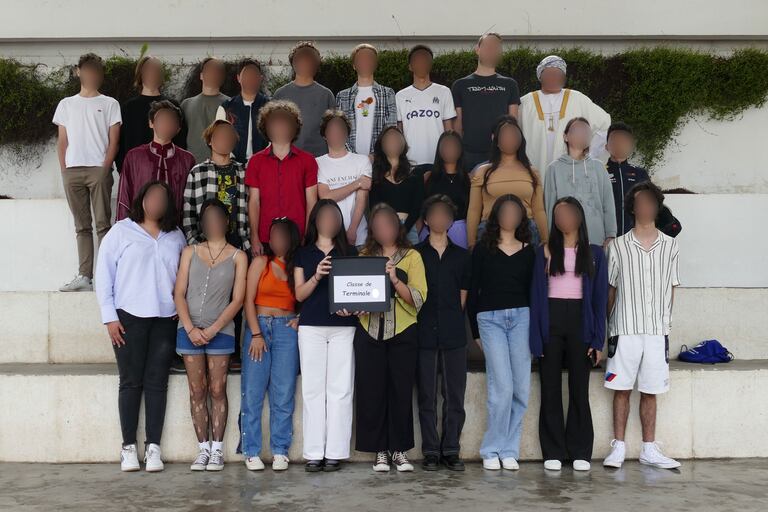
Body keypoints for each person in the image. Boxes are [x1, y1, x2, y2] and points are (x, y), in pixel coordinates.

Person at [94, 181, 186, 472]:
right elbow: (103, 275)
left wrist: (180, 309)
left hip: (164, 319)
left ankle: (154, 448)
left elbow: (183, 276)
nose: (156, 202)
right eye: (152, 196)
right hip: (128, 318)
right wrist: (109, 317)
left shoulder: (176, 236)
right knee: (131, 381)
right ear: (142, 200)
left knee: (158, 382)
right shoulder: (121, 231)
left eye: (162, 198)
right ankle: (128, 448)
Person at [603, 181, 681, 470]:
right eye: (640, 202)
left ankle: (649, 448)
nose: (645, 207)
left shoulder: (671, 245)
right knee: (621, 389)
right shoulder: (618, 246)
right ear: (632, 208)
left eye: (651, 201)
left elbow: (672, 287)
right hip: (624, 328)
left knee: (650, 390)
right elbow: (611, 290)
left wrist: (666, 324)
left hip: (656, 331)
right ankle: (618, 447)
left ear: (657, 206)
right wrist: (606, 328)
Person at [529, 197, 608, 472]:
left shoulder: (595, 253)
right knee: (549, 388)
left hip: (580, 322)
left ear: (579, 217)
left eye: (568, 213)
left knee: (579, 388)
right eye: (557, 214)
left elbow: (600, 300)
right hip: (551, 319)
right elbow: (536, 296)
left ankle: (580, 450)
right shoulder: (545, 251)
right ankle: (552, 450)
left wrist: (598, 339)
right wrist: (536, 336)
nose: (563, 219)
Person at [349, 203, 427, 473]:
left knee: (401, 391)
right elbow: (355, 295)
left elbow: (418, 299)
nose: (383, 229)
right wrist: (354, 305)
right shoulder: (363, 255)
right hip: (369, 332)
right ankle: (380, 451)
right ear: (372, 230)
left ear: (397, 226)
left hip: (403, 331)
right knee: (372, 392)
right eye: (377, 225)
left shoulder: (412, 257)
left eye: (388, 224)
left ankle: (399, 450)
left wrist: (394, 279)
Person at [174, 199, 247, 472]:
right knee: (197, 390)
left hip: (221, 332)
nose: (213, 222)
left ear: (227, 222)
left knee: (217, 389)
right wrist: (191, 328)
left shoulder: (239, 256)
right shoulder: (189, 252)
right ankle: (202, 449)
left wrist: (213, 329)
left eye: (218, 217)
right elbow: (178, 293)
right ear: (202, 223)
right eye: (208, 218)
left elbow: (238, 299)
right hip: (188, 331)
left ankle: (217, 450)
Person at [467, 194, 535, 471]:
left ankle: (509, 449)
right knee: (502, 388)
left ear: (521, 218)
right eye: (504, 211)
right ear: (496, 215)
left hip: (522, 318)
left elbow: (535, 293)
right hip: (490, 319)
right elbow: (472, 290)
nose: (509, 216)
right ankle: (491, 449)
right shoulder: (483, 249)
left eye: (515, 211)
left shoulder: (530, 250)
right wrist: (475, 331)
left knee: (520, 388)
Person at [293, 200, 358, 472]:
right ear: (315, 220)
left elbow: (358, 293)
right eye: (324, 216)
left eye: (335, 216)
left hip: (344, 327)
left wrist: (352, 308)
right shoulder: (303, 254)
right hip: (311, 327)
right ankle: (313, 452)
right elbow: (299, 295)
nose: (329, 221)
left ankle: (335, 452)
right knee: (312, 390)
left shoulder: (350, 253)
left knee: (341, 390)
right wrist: (317, 276)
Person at [53, 52, 122, 292]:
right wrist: (64, 169)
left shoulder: (110, 103)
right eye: (88, 69)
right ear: (78, 72)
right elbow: (62, 140)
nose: (92, 74)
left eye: (96, 70)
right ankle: (85, 276)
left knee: (103, 224)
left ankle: (106, 276)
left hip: (98, 170)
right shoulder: (66, 104)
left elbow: (114, 141)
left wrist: (105, 168)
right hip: (72, 171)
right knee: (81, 226)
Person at [414, 195, 471, 472]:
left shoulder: (462, 256)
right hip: (423, 332)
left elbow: (463, 296)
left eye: (444, 214)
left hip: (452, 332)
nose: (438, 219)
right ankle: (430, 450)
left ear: (450, 221)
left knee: (454, 395)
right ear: (426, 220)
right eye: (433, 214)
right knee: (426, 394)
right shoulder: (415, 254)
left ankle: (451, 448)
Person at [240, 218, 301, 472]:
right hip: (259, 328)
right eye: (274, 236)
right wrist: (255, 334)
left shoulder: (297, 266)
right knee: (253, 392)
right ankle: (251, 450)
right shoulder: (260, 262)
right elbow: (247, 300)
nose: (278, 241)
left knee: (283, 393)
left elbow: (306, 297)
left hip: (287, 330)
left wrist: (301, 317)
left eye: (284, 236)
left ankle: (280, 450)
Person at [519, 55, 611, 177]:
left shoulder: (578, 99)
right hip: (534, 167)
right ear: (540, 76)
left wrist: (589, 155)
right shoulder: (525, 102)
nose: (553, 77)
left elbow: (604, 126)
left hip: (571, 169)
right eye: (549, 73)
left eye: (558, 74)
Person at [246, 100, 318, 255]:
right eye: (275, 123)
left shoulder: (308, 160)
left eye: (285, 123)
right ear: (266, 127)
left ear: (295, 127)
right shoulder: (255, 161)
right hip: (266, 237)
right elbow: (254, 201)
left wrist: (307, 234)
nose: (280, 127)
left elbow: (311, 201)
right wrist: (254, 237)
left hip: (297, 236)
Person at [467, 116, 548, 247]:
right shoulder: (483, 171)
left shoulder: (533, 172)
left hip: (527, 230)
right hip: (490, 231)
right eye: (505, 135)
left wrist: (545, 241)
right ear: (497, 142)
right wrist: (471, 243)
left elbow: (538, 210)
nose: (510, 138)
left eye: (513, 134)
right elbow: (474, 210)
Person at [117, 100, 195, 223]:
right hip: (140, 228)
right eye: (162, 119)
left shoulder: (187, 159)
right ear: (151, 123)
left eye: (171, 121)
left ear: (178, 128)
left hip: (174, 228)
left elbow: (190, 201)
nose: (166, 124)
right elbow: (124, 197)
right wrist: (123, 230)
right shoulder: (134, 156)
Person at [451, 33, 520, 170]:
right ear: (477, 49)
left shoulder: (509, 84)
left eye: (496, 48)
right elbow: (457, 123)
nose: (492, 50)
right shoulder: (460, 85)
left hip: (500, 152)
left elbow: (513, 121)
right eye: (488, 46)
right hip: (468, 153)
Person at [544, 117, 616, 247]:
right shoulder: (554, 169)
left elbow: (608, 203)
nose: (582, 135)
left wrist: (610, 234)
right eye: (577, 130)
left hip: (596, 239)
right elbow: (550, 208)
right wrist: (551, 239)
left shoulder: (598, 167)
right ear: (566, 136)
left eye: (586, 132)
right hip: (565, 241)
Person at [183, 119, 251, 254]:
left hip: (239, 243)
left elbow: (251, 207)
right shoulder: (198, 172)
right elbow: (188, 211)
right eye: (219, 135)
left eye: (229, 136)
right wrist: (195, 243)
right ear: (210, 140)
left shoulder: (243, 171)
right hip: (206, 243)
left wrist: (248, 242)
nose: (224, 139)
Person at [116, 55, 187, 171]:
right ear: (140, 74)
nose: (152, 73)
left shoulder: (173, 105)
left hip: (168, 170)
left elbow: (181, 140)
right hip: (137, 170)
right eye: (148, 69)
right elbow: (120, 143)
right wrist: (124, 170)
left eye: (156, 69)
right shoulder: (128, 107)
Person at [396, 45, 456, 177]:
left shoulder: (444, 92)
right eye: (417, 60)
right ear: (410, 66)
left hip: (439, 161)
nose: (421, 63)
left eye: (425, 60)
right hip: (410, 162)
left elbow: (449, 130)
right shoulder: (400, 96)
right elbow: (399, 131)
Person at [316, 110, 372, 247]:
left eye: (340, 129)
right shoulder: (317, 163)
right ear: (324, 135)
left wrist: (352, 229)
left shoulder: (362, 160)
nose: (336, 133)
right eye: (331, 130)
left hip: (358, 236)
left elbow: (361, 198)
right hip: (329, 238)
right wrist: (357, 183)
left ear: (347, 133)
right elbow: (326, 197)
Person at [273, 41, 336, 156]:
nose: (305, 63)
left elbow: (333, 130)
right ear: (293, 62)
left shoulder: (326, 95)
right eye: (301, 59)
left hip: (319, 159)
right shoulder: (280, 94)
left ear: (316, 64)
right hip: (288, 158)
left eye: (310, 60)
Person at [336, 44, 397, 158]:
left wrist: (376, 155)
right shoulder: (342, 96)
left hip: (380, 159)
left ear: (375, 64)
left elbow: (391, 128)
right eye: (361, 59)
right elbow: (339, 129)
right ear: (354, 65)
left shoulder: (387, 93)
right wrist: (352, 156)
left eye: (369, 58)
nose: (365, 61)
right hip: (350, 159)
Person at [369, 126, 425, 245]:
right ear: (381, 145)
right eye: (388, 139)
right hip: (383, 229)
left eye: (396, 138)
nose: (393, 142)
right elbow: (374, 207)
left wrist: (403, 230)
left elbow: (417, 207)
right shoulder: (375, 175)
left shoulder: (415, 173)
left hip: (409, 229)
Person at [420, 131, 470, 248]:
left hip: (461, 232)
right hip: (431, 231)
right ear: (439, 149)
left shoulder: (469, 178)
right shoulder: (428, 177)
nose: (450, 149)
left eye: (454, 145)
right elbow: (420, 209)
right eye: (446, 145)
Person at [215, 58, 270, 164]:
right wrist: (230, 159)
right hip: (232, 164)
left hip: (264, 163)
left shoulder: (270, 106)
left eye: (254, 74)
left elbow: (275, 137)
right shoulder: (226, 108)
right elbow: (219, 137)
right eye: (247, 74)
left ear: (260, 78)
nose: (250, 78)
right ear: (239, 78)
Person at [604, 122, 650, 236]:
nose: (619, 144)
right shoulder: (599, 172)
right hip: (607, 238)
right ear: (606, 145)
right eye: (615, 140)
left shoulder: (640, 174)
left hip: (635, 238)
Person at [181, 57, 230, 163]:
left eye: (218, 70)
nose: (213, 73)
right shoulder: (186, 104)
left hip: (222, 164)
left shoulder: (231, 104)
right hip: (193, 165)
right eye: (209, 69)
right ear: (201, 75)